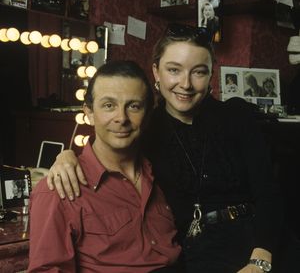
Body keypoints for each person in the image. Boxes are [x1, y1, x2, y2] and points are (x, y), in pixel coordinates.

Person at [47, 24, 282, 273]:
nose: (186, 84)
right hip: (194, 254)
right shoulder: (143, 128)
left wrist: (260, 259)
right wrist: (66, 155)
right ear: (156, 72)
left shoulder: (236, 116)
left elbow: (269, 194)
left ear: (211, 73)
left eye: (199, 72)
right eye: (174, 70)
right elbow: (106, 153)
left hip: (259, 242)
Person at [28, 60, 181, 272]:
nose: (121, 118)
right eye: (109, 105)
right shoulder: (57, 190)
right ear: (89, 113)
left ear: (147, 115)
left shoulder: (161, 172)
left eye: (134, 106)